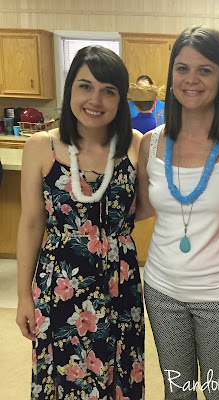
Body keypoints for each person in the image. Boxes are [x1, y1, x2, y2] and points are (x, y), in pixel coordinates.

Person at [136, 25, 219, 399]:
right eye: (182, 68)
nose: (191, 79)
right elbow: (139, 207)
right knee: (177, 392)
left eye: (204, 70)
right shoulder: (151, 143)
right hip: (161, 291)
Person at [16, 46, 144, 399]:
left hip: (120, 283)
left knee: (119, 371)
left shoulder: (135, 145)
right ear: (70, 87)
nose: (95, 100)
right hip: (60, 283)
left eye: (108, 90)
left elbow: (145, 206)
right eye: (85, 86)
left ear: (121, 99)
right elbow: (31, 223)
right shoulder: (41, 146)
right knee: (63, 374)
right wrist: (24, 297)